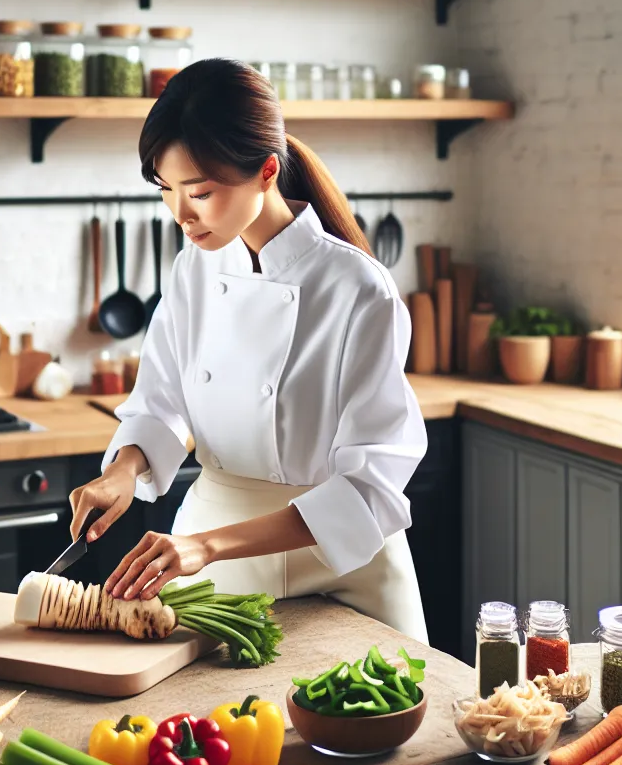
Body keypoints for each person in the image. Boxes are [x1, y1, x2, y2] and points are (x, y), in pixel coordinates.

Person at [68, 58, 428, 643]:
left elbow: (372, 486)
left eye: (201, 193)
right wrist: (123, 473)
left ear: (266, 172)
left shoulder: (359, 289)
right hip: (210, 563)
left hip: (342, 563)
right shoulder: (193, 270)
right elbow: (161, 402)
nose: (181, 215)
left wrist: (205, 546)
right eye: (167, 191)